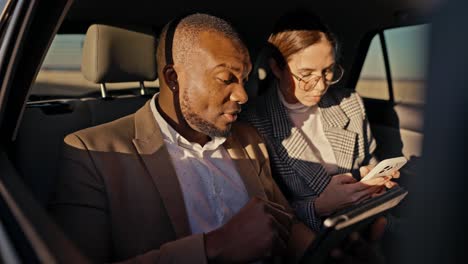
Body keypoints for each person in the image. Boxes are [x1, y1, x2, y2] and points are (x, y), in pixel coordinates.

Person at [49, 13, 387, 264]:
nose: (242, 94)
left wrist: (324, 253)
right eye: (226, 79)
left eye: (244, 79)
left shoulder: (249, 140)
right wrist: (214, 248)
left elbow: (289, 226)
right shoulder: (92, 152)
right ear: (173, 77)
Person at [241, 10, 397, 231]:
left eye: (328, 71)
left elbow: (369, 161)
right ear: (276, 67)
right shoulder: (253, 123)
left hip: (363, 224)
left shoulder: (349, 103)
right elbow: (267, 213)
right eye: (306, 74)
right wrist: (318, 206)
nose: (322, 85)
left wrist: (374, 180)